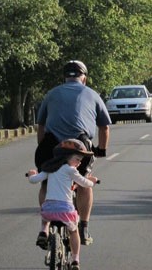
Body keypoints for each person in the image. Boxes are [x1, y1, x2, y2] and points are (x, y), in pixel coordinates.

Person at [35, 60, 111, 247]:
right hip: (79, 144)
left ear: (65, 77)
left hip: (51, 144)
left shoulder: (51, 94)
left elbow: (41, 125)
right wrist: (101, 150)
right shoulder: (92, 94)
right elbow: (104, 127)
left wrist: (44, 147)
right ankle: (83, 228)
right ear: (83, 78)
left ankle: (45, 226)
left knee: (46, 181)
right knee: (84, 182)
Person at [28, 139, 98, 270]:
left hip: (48, 210)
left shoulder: (49, 168)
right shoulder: (71, 170)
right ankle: (75, 259)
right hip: (65, 210)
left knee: (45, 214)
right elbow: (84, 183)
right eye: (77, 159)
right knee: (73, 231)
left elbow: (34, 180)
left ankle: (44, 231)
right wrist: (92, 181)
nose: (79, 162)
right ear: (67, 158)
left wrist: (32, 174)